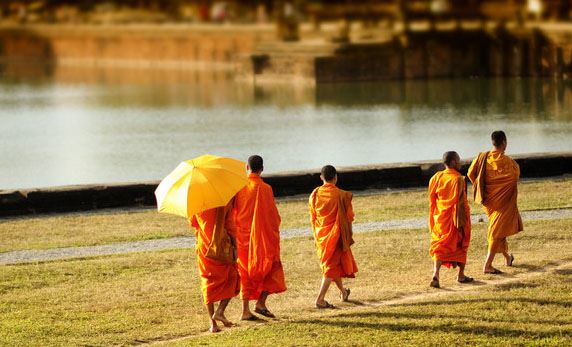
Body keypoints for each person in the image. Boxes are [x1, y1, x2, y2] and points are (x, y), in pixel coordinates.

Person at [232, 155, 287, 321]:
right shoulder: (266, 189)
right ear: (262, 169)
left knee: (245, 272)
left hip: (242, 237)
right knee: (271, 266)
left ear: (247, 168)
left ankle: (246, 310)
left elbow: (232, 211)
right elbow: (273, 216)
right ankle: (261, 302)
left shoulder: (239, 188)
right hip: (263, 237)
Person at [468, 130, 523, 274]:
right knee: (496, 231)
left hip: (488, 201)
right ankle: (487, 265)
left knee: (499, 229)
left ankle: (507, 257)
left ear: (492, 142)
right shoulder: (509, 162)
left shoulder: (481, 157)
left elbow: (470, 173)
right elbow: (515, 176)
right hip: (502, 202)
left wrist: (480, 187)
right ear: (504, 142)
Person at [309, 165, 358, 309]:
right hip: (336, 235)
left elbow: (313, 217)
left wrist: (316, 234)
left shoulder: (315, 194)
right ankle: (320, 299)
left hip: (321, 235)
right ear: (335, 177)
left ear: (321, 178)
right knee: (330, 268)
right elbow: (349, 218)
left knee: (332, 265)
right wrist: (349, 234)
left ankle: (343, 292)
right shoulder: (342, 195)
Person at [189, 201, 240, 333]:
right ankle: (220, 311)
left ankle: (213, 324)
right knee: (233, 277)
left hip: (204, 246)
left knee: (207, 282)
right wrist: (235, 247)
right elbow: (230, 226)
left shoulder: (196, 202)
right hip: (221, 246)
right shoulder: (224, 201)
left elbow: (193, 223)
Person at [428, 151, 473, 288]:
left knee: (440, 246)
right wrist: (466, 218)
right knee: (462, 243)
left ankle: (436, 273)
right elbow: (463, 202)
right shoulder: (459, 179)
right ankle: (461, 275)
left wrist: (435, 215)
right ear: (453, 162)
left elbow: (432, 200)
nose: (460, 162)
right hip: (456, 218)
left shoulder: (436, 177)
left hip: (441, 217)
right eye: (458, 160)